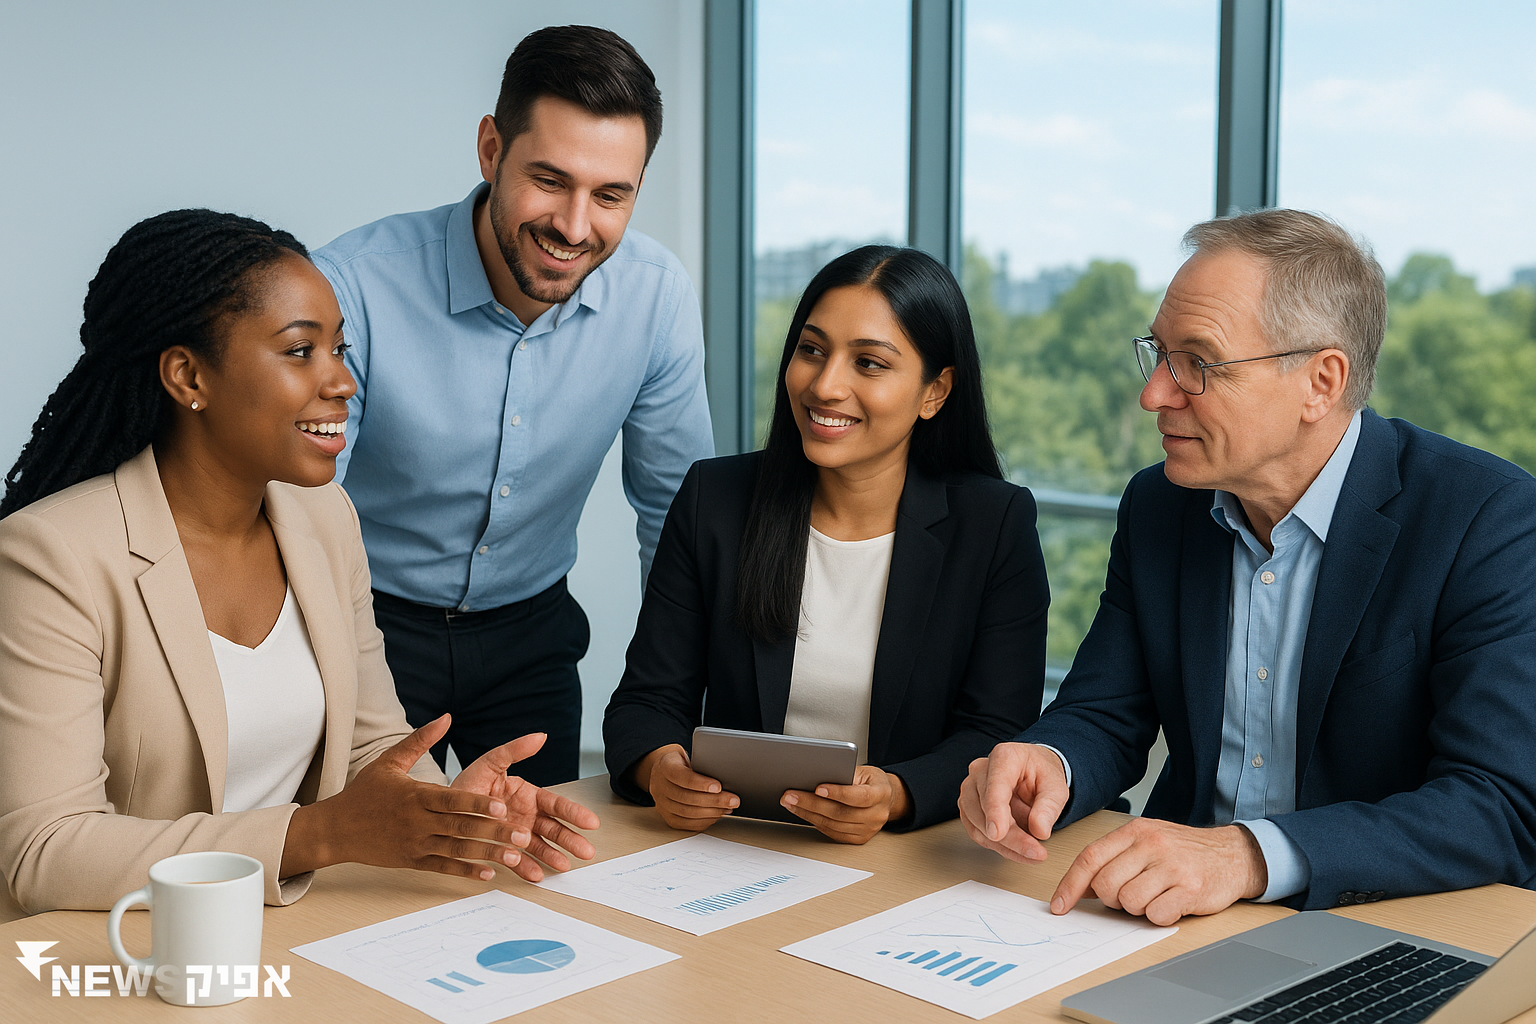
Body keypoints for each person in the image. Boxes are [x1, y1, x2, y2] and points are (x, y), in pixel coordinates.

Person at [0, 210, 599, 921]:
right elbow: (45, 850)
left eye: (339, 350)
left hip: (301, 931)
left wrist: (453, 811)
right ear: (188, 375)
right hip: (129, 952)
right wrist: (320, 833)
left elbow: (370, 746)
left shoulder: (325, 520)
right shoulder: (50, 557)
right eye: (299, 352)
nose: (342, 381)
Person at [959, 209, 1536, 924]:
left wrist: (1246, 855)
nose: (1155, 395)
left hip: (1380, 923)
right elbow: (1105, 714)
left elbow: (1497, 805)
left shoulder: (1488, 519)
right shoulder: (1159, 505)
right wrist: (1048, 762)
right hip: (1173, 914)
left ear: (1321, 382)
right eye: (1159, 353)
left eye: (1198, 363)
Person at [311, 25, 714, 786]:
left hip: (533, 636)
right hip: (370, 623)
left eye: (610, 195)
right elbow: (302, 506)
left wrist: (675, 709)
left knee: (542, 873)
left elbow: (677, 518)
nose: (573, 225)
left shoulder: (656, 298)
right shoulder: (352, 285)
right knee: (380, 877)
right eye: (551, 180)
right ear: (491, 149)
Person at [603, 245, 1049, 841]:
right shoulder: (717, 498)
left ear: (935, 392)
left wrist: (896, 793)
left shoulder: (994, 524)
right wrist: (661, 769)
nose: (826, 385)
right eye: (812, 351)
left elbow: (998, 729)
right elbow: (645, 703)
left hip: (910, 856)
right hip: (737, 844)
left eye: (869, 363)